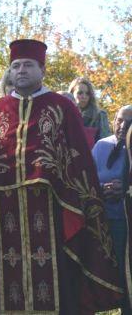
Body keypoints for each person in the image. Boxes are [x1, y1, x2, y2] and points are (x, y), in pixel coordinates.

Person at [0, 39, 122, 314]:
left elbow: (78, 164)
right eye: (16, 66)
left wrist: (71, 212)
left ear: (42, 70)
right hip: (3, 218)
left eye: (28, 65)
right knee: (5, 287)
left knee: (57, 286)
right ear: (10, 72)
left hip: (52, 215)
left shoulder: (62, 107)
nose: (21, 70)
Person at [92, 105, 132, 313]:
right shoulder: (101, 146)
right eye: (119, 120)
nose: (123, 126)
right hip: (102, 222)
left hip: (127, 224)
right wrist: (101, 189)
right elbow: (86, 181)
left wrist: (125, 189)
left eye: (129, 122)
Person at [69, 77, 112, 143]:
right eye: (80, 93)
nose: (84, 96)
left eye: (87, 93)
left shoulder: (100, 115)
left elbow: (105, 142)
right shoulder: (65, 113)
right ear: (72, 93)